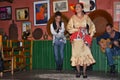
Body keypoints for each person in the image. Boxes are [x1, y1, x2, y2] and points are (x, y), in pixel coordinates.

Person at [66, 3, 96, 78]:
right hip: (76, 39)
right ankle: (78, 71)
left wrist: (90, 36)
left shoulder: (86, 17)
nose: (77, 8)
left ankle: (84, 72)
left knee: (85, 55)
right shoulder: (73, 17)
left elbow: (92, 26)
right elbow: (68, 28)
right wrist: (77, 29)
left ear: (82, 8)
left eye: (78, 7)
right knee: (76, 55)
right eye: (76, 7)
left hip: (84, 39)